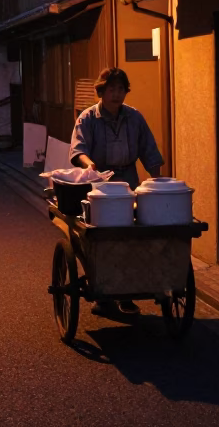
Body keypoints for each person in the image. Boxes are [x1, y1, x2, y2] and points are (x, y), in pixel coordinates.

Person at [69, 67, 165, 316]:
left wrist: (159, 184)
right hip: (99, 184)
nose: (116, 93)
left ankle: (127, 292)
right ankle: (102, 289)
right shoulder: (88, 118)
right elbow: (78, 150)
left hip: (128, 181)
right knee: (103, 236)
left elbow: (150, 152)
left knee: (131, 235)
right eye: (111, 88)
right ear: (101, 90)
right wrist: (88, 164)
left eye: (121, 88)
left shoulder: (135, 117)